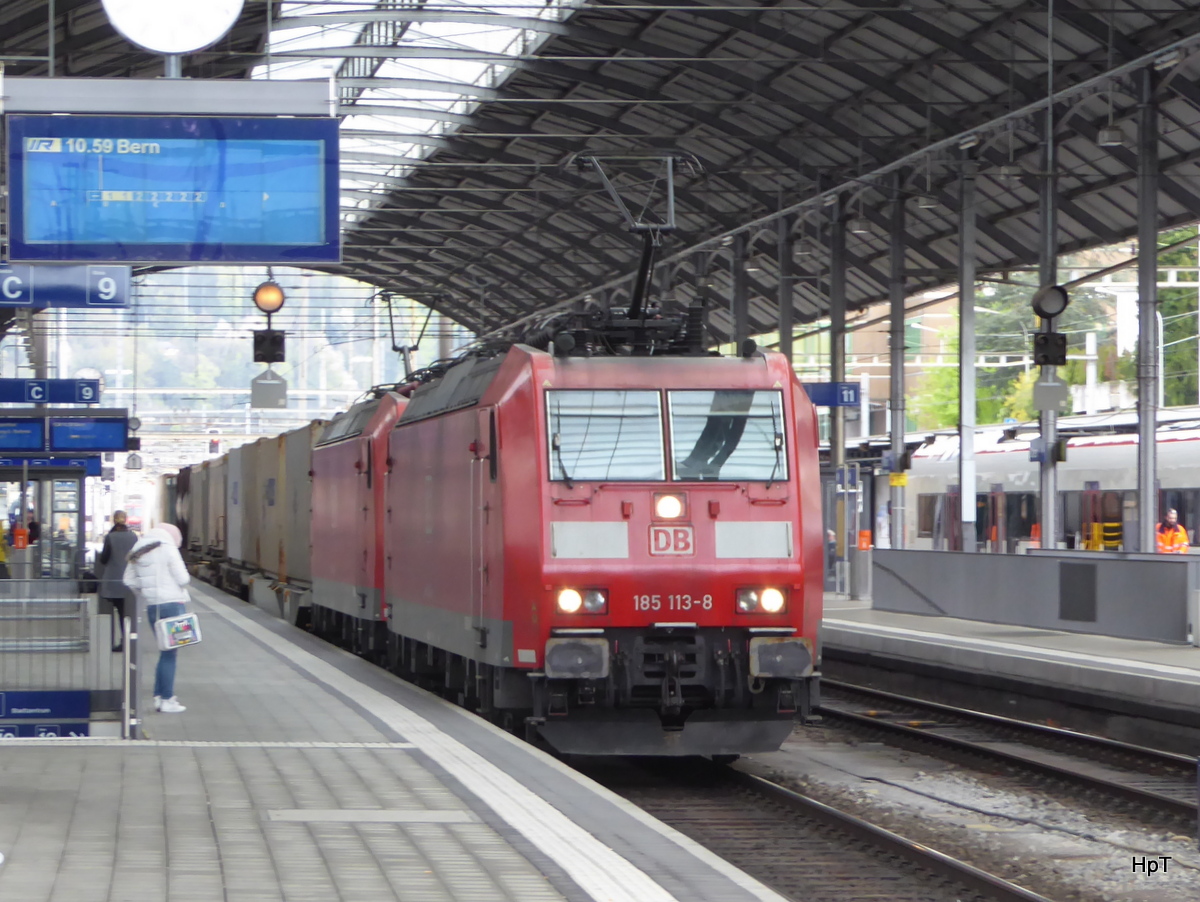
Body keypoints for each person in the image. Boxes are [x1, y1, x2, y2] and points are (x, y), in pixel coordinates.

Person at [124, 523, 190, 714]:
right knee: (170, 654)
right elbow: (183, 579)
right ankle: (167, 699)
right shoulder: (167, 548)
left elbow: (128, 580)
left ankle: (160, 697)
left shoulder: (138, 548)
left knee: (165, 652)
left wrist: (147, 589)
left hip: (153, 607)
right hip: (173, 604)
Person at [97, 511, 138, 651]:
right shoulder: (133, 537)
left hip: (114, 581)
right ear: (126, 520)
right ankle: (129, 639)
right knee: (129, 612)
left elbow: (104, 559)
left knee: (118, 612)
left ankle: (120, 641)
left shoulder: (110, 537)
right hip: (130, 581)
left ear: (114, 521)